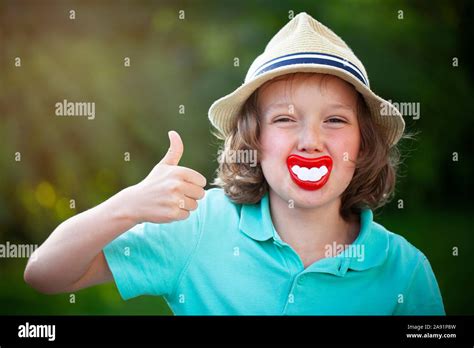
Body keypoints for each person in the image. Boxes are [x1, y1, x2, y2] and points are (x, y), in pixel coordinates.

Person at [24, 12, 444, 315]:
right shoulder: (199, 226)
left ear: (364, 142)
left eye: (334, 120)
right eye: (284, 119)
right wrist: (130, 205)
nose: (310, 141)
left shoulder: (404, 272)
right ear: (254, 140)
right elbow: (45, 273)